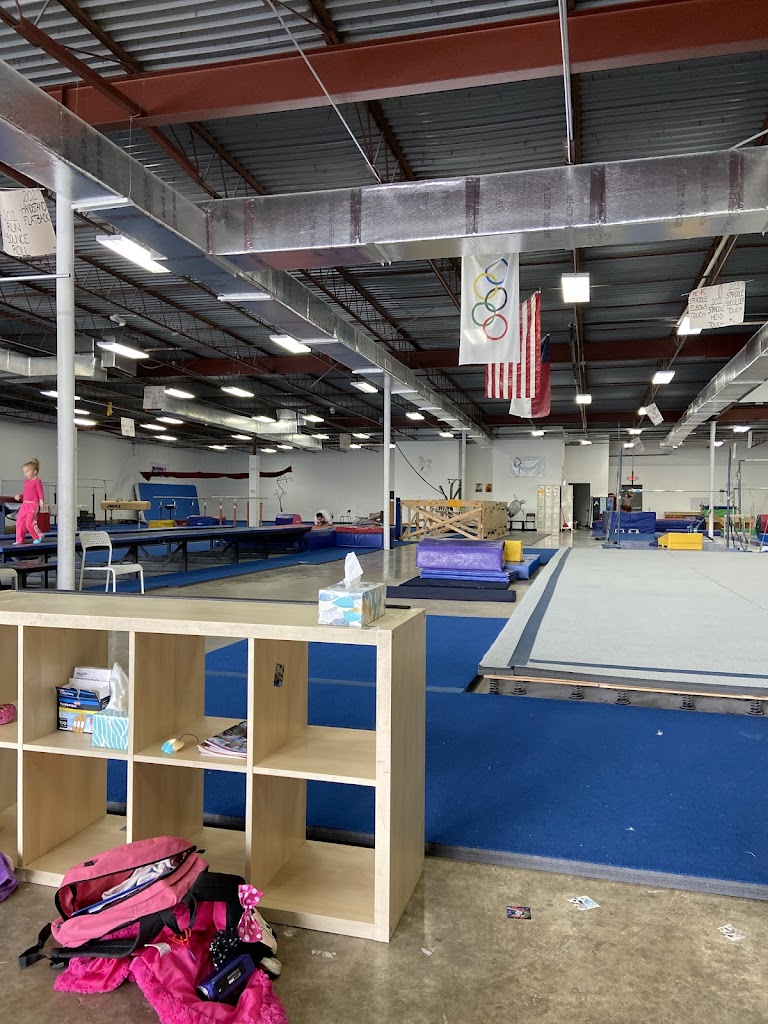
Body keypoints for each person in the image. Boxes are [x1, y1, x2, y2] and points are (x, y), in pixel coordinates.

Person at [14, 458, 45, 545]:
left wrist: (41, 501)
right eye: (24, 472)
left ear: (34, 472)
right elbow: (26, 492)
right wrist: (20, 496)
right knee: (19, 521)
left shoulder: (37, 481)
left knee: (29, 523)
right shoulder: (26, 482)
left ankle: (38, 536)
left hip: (32, 505)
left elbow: (40, 492)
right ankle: (19, 539)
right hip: (24, 504)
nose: (25, 474)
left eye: (27, 472)